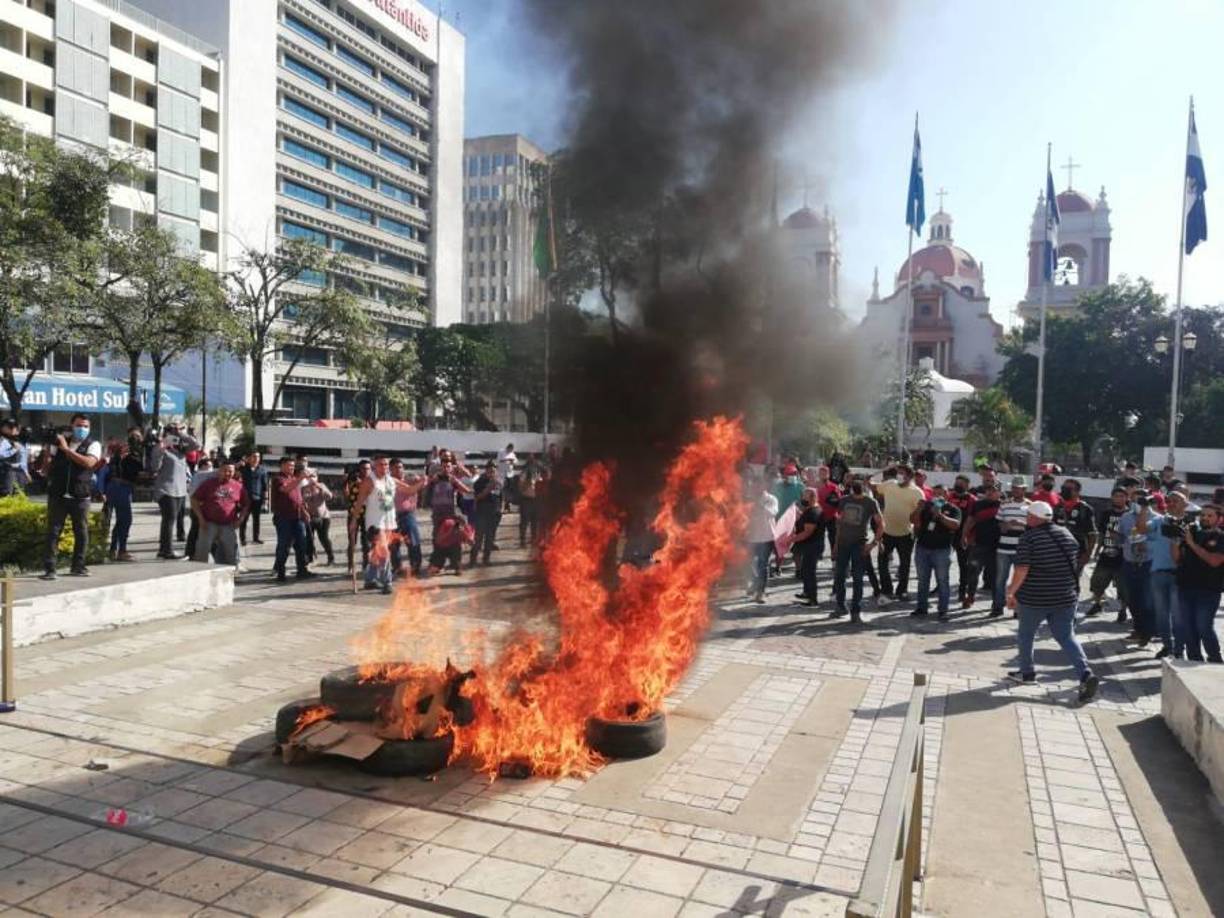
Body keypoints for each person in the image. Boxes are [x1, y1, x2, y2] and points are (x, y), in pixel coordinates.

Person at [1005, 502, 1101, 702]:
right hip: (1065, 596)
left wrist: (1011, 592)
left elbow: (1022, 569)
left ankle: (1027, 673)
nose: (1026, 518)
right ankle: (1085, 673)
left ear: (1034, 518)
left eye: (1028, 515)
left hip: (1035, 597)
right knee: (1066, 637)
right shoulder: (1066, 534)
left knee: (1026, 635)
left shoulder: (1028, 538)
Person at [39, 413, 104, 580]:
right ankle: (50, 569)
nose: (82, 429)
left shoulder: (93, 444)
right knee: (53, 532)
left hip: (80, 495)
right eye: (78, 425)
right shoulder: (60, 442)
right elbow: (46, 468)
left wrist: (66, 450)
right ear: (71, 426)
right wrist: (47, 449)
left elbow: (89, 463)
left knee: (81, 532)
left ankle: (78, 566)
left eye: (85, 426)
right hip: (58, 494)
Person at [354, 455, 425, 593]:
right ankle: (387, 582)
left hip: (389, 522)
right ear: (374, 466)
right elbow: (359, 502)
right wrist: (353, 521)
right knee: (385, 552)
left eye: (386, 464)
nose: (384, 467)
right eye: (381, 464)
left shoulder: (392, 481)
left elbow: (409, 490)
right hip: (374, 523)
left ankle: (369, 579)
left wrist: (422, 482)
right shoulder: (369, 481)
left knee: (378, 553)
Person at [1173, 503, 1224, 663]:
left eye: (1210, 516)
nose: (1205, 518)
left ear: (1218, 519)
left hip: (1209, 590)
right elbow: (1176, 559)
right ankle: (1194, 658)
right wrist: (1175, 541)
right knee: (1188, 627)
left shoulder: (1221, 537)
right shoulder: (1191, 534)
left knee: (1203, 626)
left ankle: (1215, 659)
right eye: (1202, 515)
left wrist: (1191, 544)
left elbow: (1214, 561)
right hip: (1186, 586)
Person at [832, 474, 883, 623]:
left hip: (859, 544)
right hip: (843, 543)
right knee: (840, 576)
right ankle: (841, 606)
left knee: (858, 578)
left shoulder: (870, 502)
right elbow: (839, 523)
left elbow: (881, 524)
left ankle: (856, 610)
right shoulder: (844, 501)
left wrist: (873, 543)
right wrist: (836, 544)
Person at [1145, 490, 1188, 659]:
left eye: (1176, 501)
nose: (1171, 504)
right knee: (1161, 614)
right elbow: (1140, 530)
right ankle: (1167, 646)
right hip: (1158, 573)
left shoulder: (1193, 524)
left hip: (1179, 575)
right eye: (1169, 501)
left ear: (1186, 503)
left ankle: (1179, 648)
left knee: (1178, 615)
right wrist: (1143, 508)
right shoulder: (1158, 520)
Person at [911, 483, 961, 619]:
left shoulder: (953, 509)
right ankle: (922, 608)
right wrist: (918, 509)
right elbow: (913, 521)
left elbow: (955, 525)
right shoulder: (926, 507)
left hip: (942, 551)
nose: (938, 496)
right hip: (923, 548)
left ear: (947, 495)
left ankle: (943, 610)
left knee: (943, 581)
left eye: (941, 493)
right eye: (935, 493)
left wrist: (940, 516)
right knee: (922, 581)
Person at [876, 464, 924, 601]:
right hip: (886, 532)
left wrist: (918, 512)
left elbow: (919, 512)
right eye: (898, 473)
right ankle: (887, 589)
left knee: (904, 564)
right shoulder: (890, 484)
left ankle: (902, 591)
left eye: (902, 473)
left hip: (905, 533)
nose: (899, 476)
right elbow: (876, 487)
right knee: (882, 562)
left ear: (909, 476)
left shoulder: (917, 492)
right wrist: (868, 482)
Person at [151, 428, 198, 560]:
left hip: (180, 491)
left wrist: (181, 433)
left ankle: (163, 549)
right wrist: (161, 448)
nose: (174, 439)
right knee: (169, 519)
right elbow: (154, 467)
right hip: (166, 490)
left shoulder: (181, 452)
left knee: (173, 519)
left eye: (175, 436)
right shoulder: (162, 450)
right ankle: (167, 550)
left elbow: (196, 445)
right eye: (171, 436)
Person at [191, 461, 249, 566]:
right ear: (219, 471)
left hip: (228, 524)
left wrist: (240, 520)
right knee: (202, 551)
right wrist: (200, 518)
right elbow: (194, 500)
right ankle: (198, 574)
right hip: (208, 523)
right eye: (225, 471)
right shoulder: (208, 484)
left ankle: (231, 574)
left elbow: (246, 505)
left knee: (231, 552)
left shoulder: (238, 486)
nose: (228, 473)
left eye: (230, 471)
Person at [1087, 487, 1131, 621]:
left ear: (1126, 498)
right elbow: (1101, 533)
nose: (1118, 498)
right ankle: (1098, 603)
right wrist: (1096, 550)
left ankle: (1122, 610)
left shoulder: (1130, 515)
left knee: (1123, 586)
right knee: (1096, 581)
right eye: (1116, 496)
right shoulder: (1106, 514)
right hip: (1106, 553)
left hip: (1123, 556)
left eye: (1121, 496)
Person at [1118, 492, 1155, 645]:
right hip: (1129, 562)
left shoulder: (1157, 519)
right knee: (1132, 600)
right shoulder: (1125, 517)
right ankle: (1138, 629)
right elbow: (1120, 535)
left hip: (1148, 564)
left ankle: (1147, 631)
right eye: (1135, 499)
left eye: (1141, 500)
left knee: (1146, 601)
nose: (1138, 502)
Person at [992, 477, 1032, 618]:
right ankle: (997, 606)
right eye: (1013, 487)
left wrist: (1020, 524)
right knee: (1000, 579)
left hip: (1021, 548)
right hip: (1004, 547)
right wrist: (1005, 525)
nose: (1015, 490)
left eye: (1018, 487)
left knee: (1019, 579)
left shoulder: (1030, 506)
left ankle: (1017, 609)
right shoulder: (1004, 504)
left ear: (1024, 489)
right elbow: (998, 524)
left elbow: (1033, 527)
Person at [270, 455, 313, 583]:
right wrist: (300, 478)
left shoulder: (294, 478)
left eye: (293, 466)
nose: (291, 468)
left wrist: (304, 511)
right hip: (283, 517)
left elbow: (298, 498)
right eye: (289, 465)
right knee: (284, 545)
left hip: (298, 516)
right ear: (281, 466)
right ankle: (280, 571)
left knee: (301, 544)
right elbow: (286, 489)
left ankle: (302, 570)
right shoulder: (278, 479)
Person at [1052, 478, 1097, 594]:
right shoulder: (1057, 508)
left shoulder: (1085, 509)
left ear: (1077, 492)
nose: (1064, 491)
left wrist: (1087, 555)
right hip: (1056, 553)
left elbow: (1092, 534)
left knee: (1072, 584)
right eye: (1063, 488)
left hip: (1077, 554)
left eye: (1068, 489)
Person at [106, 429, 144, 562]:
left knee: (121, 520)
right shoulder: (127, 451)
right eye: (134, 436)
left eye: (138, 436)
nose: (137, 439)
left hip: (122, 487)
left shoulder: (133, 451)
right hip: (120, 487)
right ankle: (121, 551)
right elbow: (134, 470)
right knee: (126, 520)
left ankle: (113, 549)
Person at [389, 458, 425, 577]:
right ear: (390, 469)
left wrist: (420, 479)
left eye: (400, 467)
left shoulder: (411, 479)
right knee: (393, 544)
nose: (398, 470)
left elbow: (424, 482)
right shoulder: (388, 481)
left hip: (407, 514)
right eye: (395, 467)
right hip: (392, 516)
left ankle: (416, 566)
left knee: (413, 541)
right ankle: (397, 567)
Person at [746, 476, 779, 603]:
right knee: (746, 562)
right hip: (751, 537)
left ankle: (761, 592)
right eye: (753, 486)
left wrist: (759, 505)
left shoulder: (771, 499)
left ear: (763, 486)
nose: (754, 488)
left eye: (757, 485)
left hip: (766, 537)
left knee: (762, 565)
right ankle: (755, 582)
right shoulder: (748, 499)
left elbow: (773, 513)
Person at [946, 475, 976, 608]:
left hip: (963, 536)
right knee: (942, 562)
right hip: (947, 535)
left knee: (964, 565)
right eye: (956, 482)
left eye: (961, 483)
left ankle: (962, 592)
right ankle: (940, 587)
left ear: (967, 485)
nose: (958, 485)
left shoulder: (971, 499)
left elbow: (972, 518)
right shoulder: (950, 496)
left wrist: (966, 535)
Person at [791, 487, 822, 606]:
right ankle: (807, 592)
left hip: (812, 546)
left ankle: (813, 599)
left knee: (810, 572)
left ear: (812, 498)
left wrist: (791, 539)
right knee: (805, 569)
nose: (802, 498)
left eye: (805, 496)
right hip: (809, 545)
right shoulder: (809, 509)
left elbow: (807, 532)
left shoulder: (813, 512)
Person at [470, 461, 504, 566]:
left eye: (494, 470)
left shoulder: (498, 482)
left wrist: (501, 508)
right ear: (486, 470)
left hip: (494, 513)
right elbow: (477, 497)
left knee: (490, 538)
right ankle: (473, 560)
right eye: (490, 470)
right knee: (479, 538)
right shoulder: (480, 481)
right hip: (482, 513)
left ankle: (486, 559)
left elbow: (501, 496)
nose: (492, 472)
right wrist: (488, 488)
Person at [183, 457, 216, 559]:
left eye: (211, 466)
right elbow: (193, 493)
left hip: (209, 508)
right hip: (198, 508)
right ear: (202, 467)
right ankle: (190, 552)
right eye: (208, 466)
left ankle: (212, 552)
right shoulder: (198, 476)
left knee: (212, 531)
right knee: (195, 530)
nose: (211, 469)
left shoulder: (211, 477)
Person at [301, 469, 335, 567]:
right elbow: (302, 502)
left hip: (323, 517)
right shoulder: (304, 488)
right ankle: (310, 558)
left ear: (317, 477)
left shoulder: (321, 486)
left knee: (324, 538)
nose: (312, 478)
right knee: (309, 539)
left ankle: (331, 557)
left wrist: (320, 487)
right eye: (310, 476)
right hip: (309, 517)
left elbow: (330, 496)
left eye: (314, 476)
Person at [344, 459, 372, 573]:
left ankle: (366, 565)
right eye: (363, 469)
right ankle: (351, 565)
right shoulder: (352, 480)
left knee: (366, 543)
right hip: (353, 515)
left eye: (368, 469)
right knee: (352, 542)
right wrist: (346, 481)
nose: (366, 471)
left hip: (368, 515)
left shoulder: (372, 482)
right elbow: (346, 494)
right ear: (359, 470)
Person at [239, 452, 268, 545]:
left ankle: (256, 538)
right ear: (249, 458)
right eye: (254, 456)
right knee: (244, 518)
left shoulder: (262, 470)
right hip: (245, 498)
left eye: (258, 456)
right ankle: (242, 538)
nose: (256, 458)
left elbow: (265, 486)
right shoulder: (243, 469)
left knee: (257, 519)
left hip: (257, 498)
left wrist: (266, 500)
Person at [518, 457, 542, 547]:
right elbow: (520, 488)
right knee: (524, 522)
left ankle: (534, 540)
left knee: (535, 522)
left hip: (536, 500)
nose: (533, 466)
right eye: (531, 464)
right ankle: (523, 541)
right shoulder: (524, 474)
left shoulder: (538, 474)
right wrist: (529, 481)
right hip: (526, 500)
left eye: (534, 464)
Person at [0, 417, 21, 497]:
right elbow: (1, 454)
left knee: (14, 494)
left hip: (14, 471)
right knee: (6, 493)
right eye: (11, 427)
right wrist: (14, 450)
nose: (14, 429)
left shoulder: (11, 439)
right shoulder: (2, 439)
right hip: (5, 470)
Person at [497, 443, 517, 511]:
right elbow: (498, 460)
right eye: (509, 449)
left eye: (511, 450)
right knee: (502, 490)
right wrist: (507, 460)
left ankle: (507, 505)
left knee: (509, 490)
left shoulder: (512, 454)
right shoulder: (501, 452)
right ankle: (501, 505)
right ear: (507, 447)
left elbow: (516, 461)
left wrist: (513, 461)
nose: (510, 450)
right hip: (502, 474)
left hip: (510, 474)